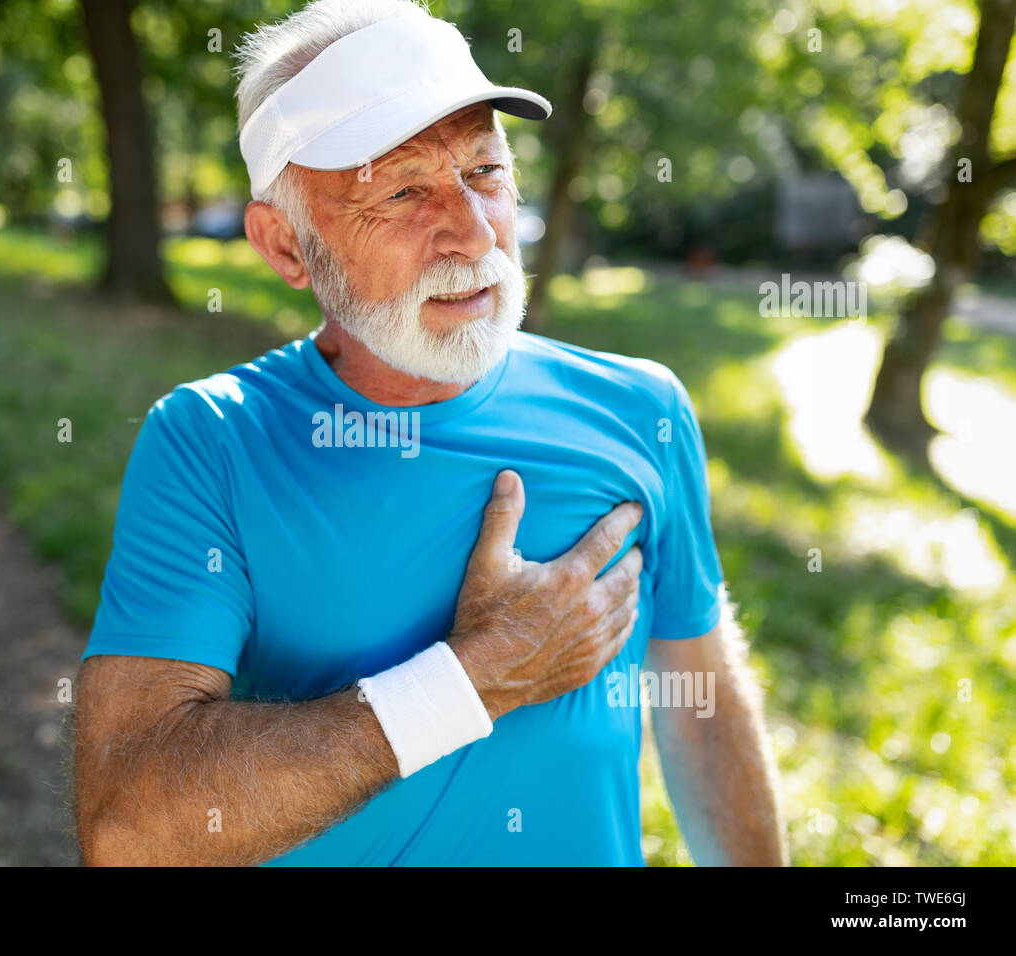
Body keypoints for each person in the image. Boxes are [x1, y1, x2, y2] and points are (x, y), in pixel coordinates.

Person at [74, 0, 787, 866]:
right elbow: (129, 830)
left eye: (485, 170)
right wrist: (478, 676)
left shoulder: (644, 409)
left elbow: (702, 709)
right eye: (405, 189)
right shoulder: (210, 443)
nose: (475, 230)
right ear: (287, 245)